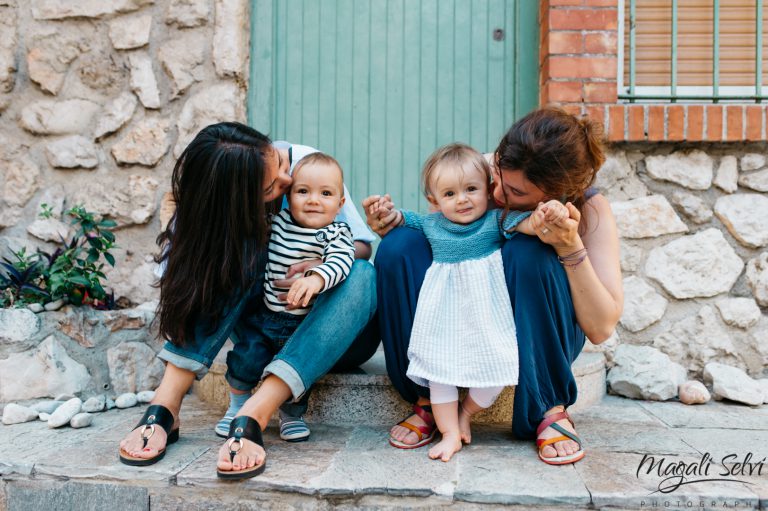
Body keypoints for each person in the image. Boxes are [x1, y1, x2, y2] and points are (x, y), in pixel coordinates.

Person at [117, 122, 378, 479]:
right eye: (273, 187)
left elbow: (360, 245)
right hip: (263, 329)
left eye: (282, 167)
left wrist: (320, 268)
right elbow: (188, 281)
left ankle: (257, 409)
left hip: (331, 331)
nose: (288, 183)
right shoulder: (216, 202)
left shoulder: (310, 167)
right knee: (231, 247)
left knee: (363, 274)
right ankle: (165, 405)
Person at [365, 108, 623, 466]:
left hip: (540, 321)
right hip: (461, 312)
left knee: (528, 250)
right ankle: (427, 395)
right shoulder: (483, 169)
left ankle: (548, 405)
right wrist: (391, 222)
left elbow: (601, 327)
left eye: (515, 191)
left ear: (559, 194)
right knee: (398, 246)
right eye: (496, 175)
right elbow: (435, 224)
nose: (496, 192)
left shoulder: (592, 209)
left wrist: (568, 246)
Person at [367, 143, 568, 462]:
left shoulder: (494, 222)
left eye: (471, 189)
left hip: (486, 315)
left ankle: (466, 413)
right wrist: (385, 213)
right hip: (443, 317)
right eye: (449, 194)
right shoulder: (431, 224)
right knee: (439, 377)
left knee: (496, 373)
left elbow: (527, 225)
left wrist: (544, 216)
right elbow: (401, 219)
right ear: (434, 201)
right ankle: (449, 434)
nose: (461, 199)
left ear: (489, 190)